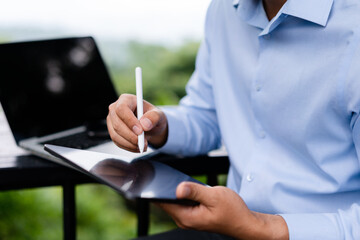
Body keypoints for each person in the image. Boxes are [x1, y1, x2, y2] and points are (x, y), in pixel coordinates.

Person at [106, 0, 360, 239]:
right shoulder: (224, 10)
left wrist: (260, 227)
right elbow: (207, 115)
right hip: (228, 231)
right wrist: (158, 126)